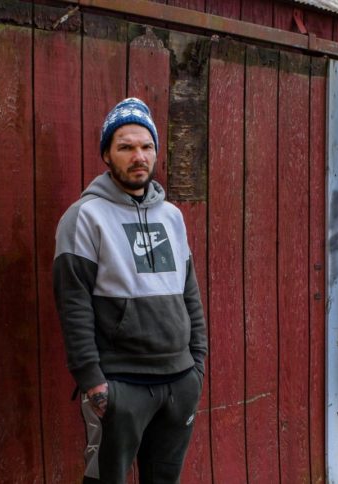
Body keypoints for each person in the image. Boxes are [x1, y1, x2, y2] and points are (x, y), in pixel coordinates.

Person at [53, 97, 208, 483]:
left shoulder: (172, 216)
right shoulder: (84, 217)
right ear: (107, 154)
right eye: (125, 147)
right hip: (121, 385)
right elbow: (73, 305)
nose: (138, 156)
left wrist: (197, 367)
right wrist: (92, 381)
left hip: (179, 380)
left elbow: (190, 294)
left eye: (146, 146)